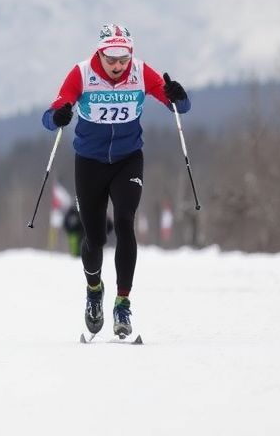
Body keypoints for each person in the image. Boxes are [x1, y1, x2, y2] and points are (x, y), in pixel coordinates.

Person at [42, 23, 191, 338]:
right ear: (99, 54)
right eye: (111, 59)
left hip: (127, 159)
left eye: (123, 58)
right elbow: (50, 116)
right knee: (95, 238)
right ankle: (94, 290)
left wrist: (179, 96)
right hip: (90, 163)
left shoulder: (140, 72)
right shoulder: (82, 74)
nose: (118, 65)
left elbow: (179, 106)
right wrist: (57, 116)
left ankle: (122, 303)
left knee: (124, 222)